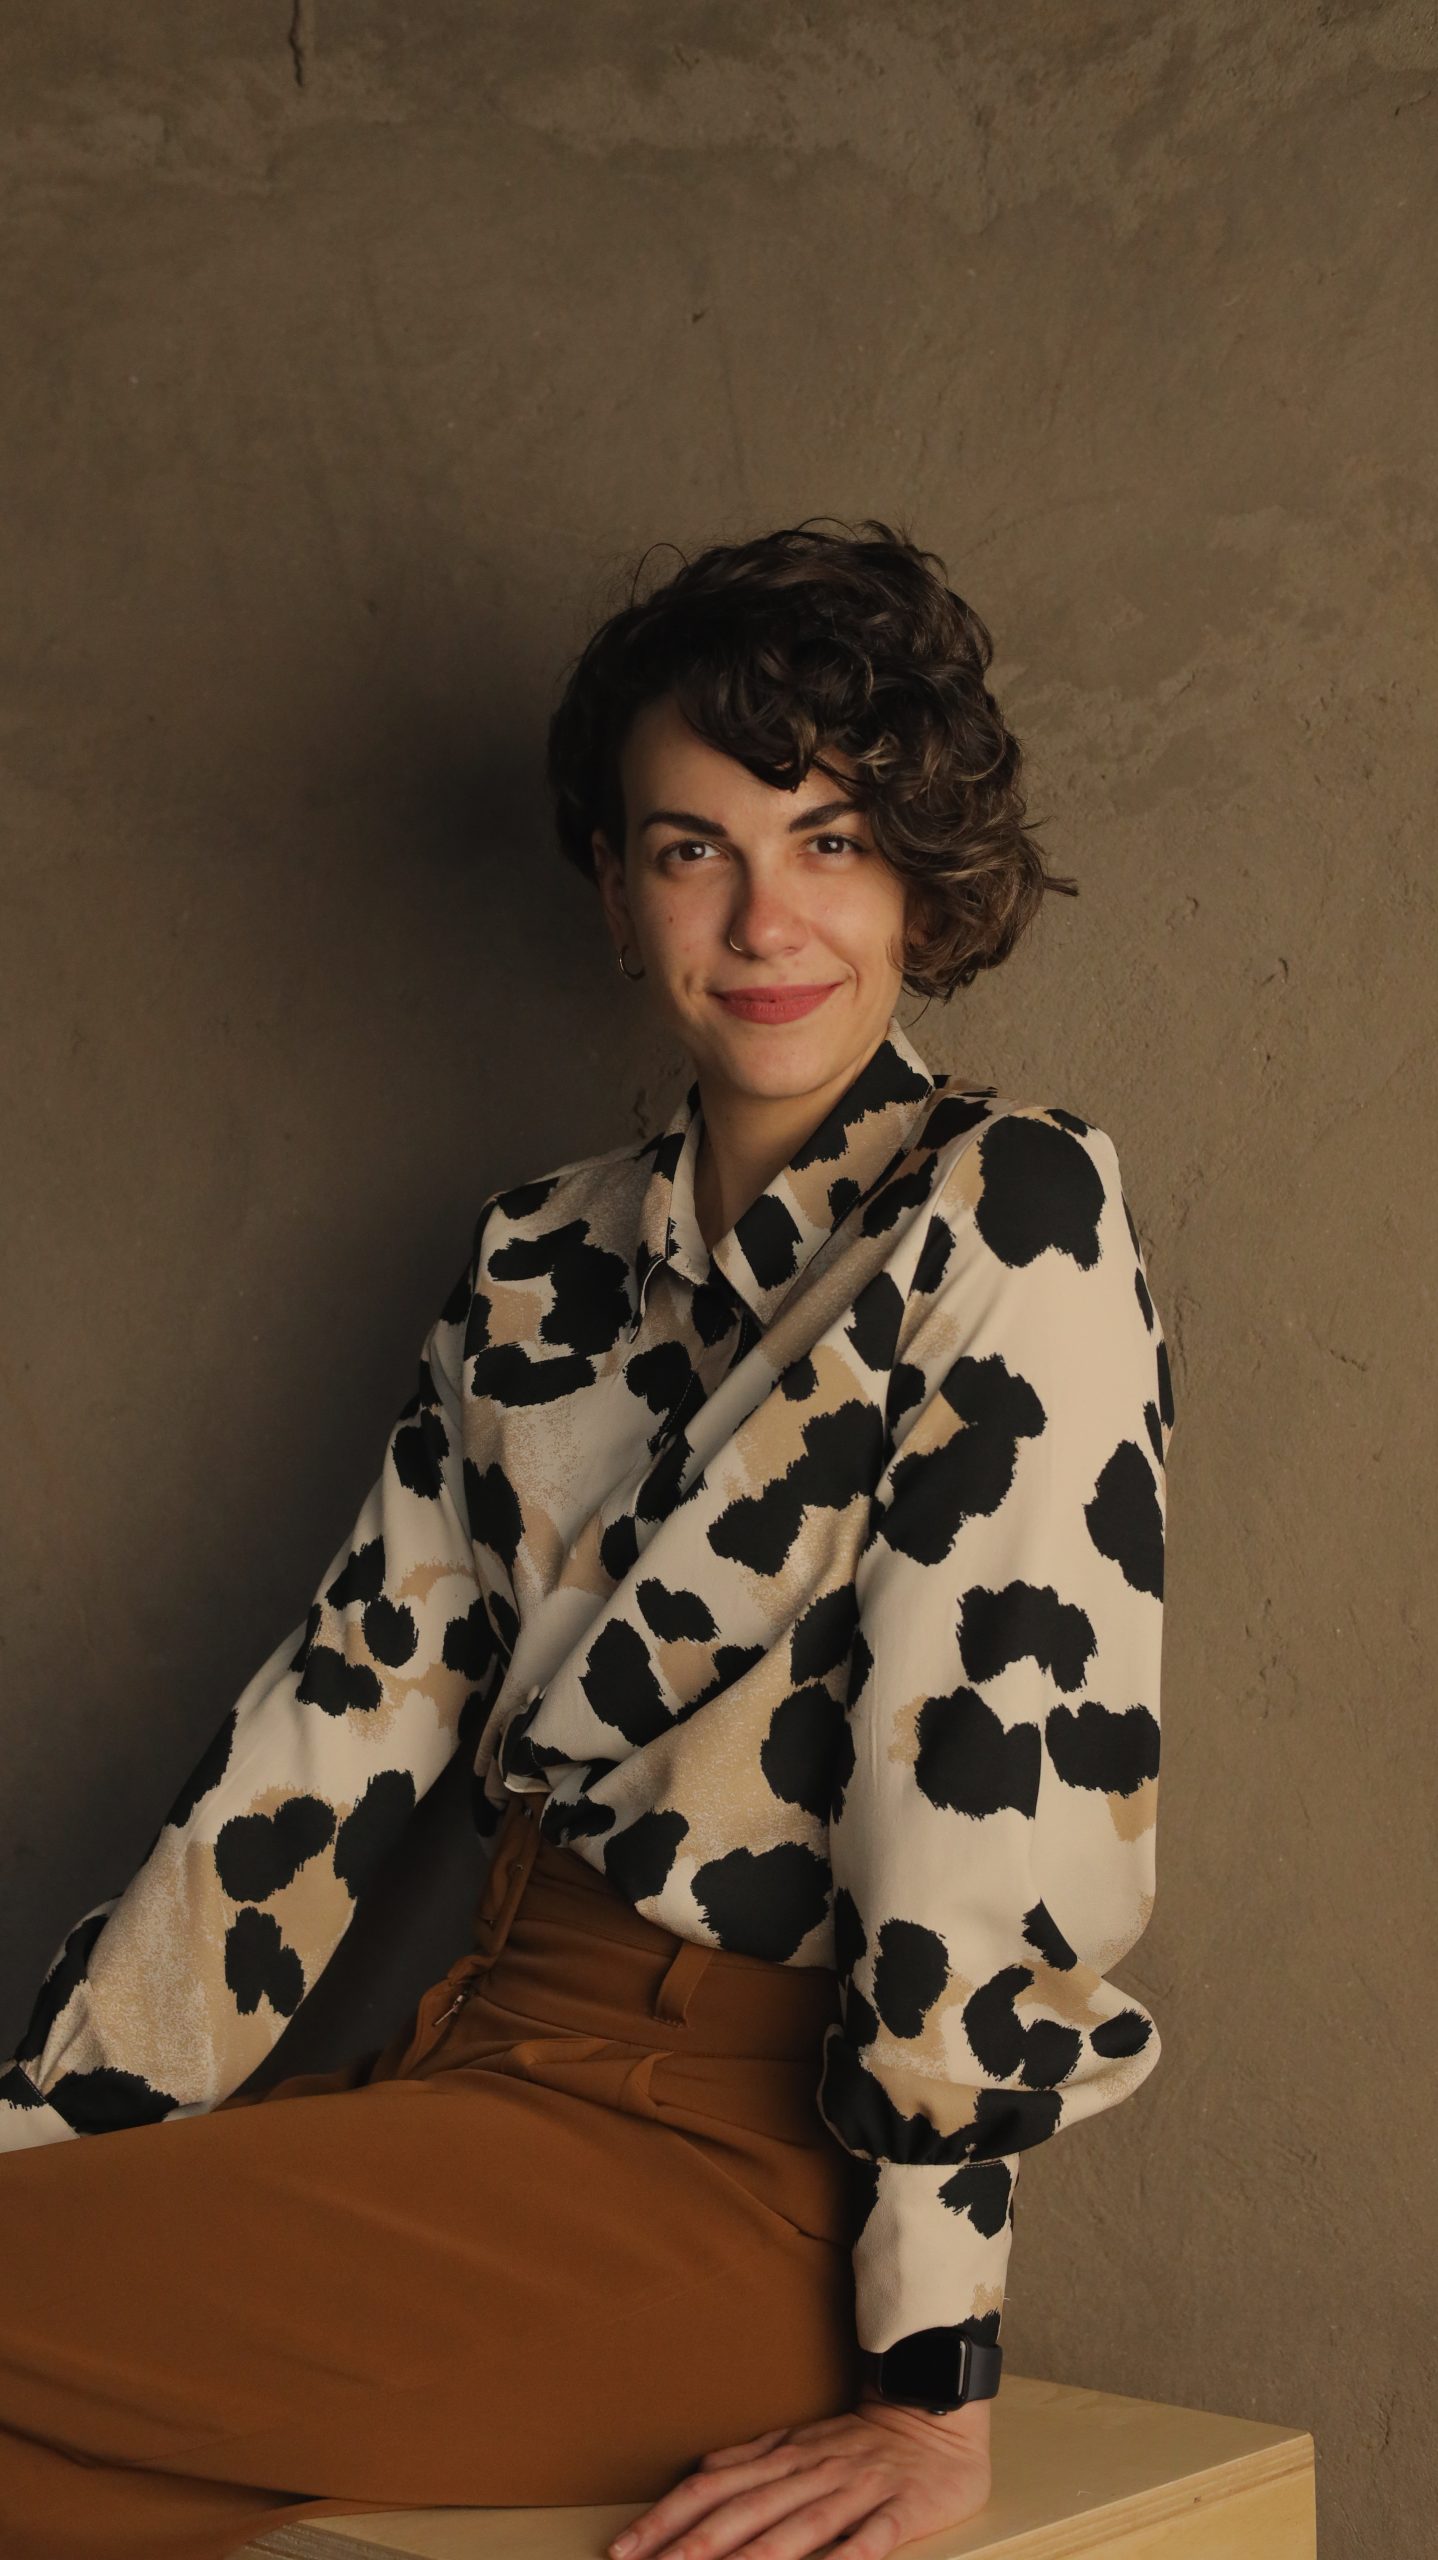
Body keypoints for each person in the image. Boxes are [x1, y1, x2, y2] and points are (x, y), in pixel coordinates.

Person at [0, 519, 1173, 2560]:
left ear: (919, 874)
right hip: (475, 2072)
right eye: (691, 846)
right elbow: (322, 1743)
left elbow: (988, 1818)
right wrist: (42, 2131)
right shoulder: (535, 1259)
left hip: (743, 2169)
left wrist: (931, 2387)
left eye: (826, 838)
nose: (763, 916)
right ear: (619, 893)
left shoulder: (1009, 1210)